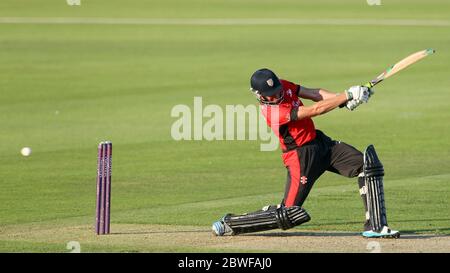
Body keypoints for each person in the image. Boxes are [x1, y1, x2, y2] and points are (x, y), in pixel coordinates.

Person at [211, 68, 400, 238]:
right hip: (300, 158)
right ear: (259, 95)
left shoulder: (283, 85)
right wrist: (346, 95)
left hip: (321, 145)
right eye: (271, 94)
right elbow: (314, 110)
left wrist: (345, 99)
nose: (276, 94)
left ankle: (376, 226)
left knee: (367, 166)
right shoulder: (272, 112)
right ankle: (231, 223)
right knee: (289, 213)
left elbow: (314, 93)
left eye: (277, 90)